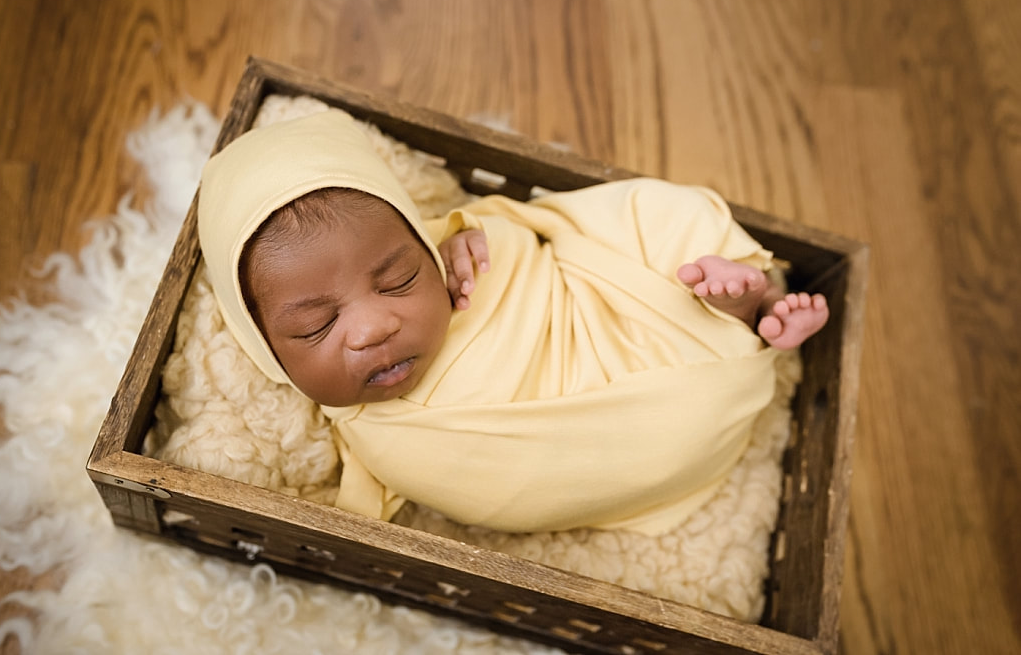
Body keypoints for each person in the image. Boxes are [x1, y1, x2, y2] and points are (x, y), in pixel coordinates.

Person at [197, 109, 828, 535]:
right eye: (315, 327)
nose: (373, 327)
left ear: (423, 242)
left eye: (396, 279)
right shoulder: (372, 442)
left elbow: (539, 236)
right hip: (665, 433)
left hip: (618, 323)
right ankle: (741, 331)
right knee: (678, 407)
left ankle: (742, 301)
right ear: (263, 349)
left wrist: (475, 236)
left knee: (662, 216)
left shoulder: (467, 263)